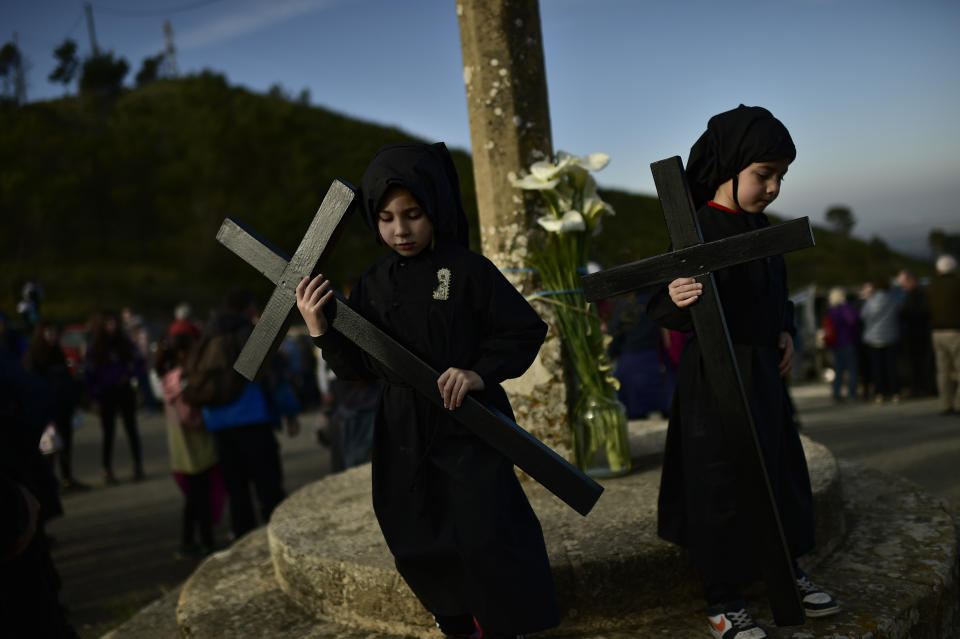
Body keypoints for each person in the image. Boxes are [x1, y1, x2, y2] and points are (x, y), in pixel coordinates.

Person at [296, 142, 558, 639]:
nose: (400, 229)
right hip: (403, 429)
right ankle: (456, 622)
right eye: (387, 217)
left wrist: (478, 372)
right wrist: (319, 329)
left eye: (413, 214)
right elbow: (355, 367)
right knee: (415, 528)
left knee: (488, 531)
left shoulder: (468, 269)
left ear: (433, 208)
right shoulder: (371, 283)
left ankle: (509, 625)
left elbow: (523, 331)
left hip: (470, 423)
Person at [646, 105, 839, 638]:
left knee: (777, 473)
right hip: (714, 379)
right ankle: (722, 598)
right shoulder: (697, 227)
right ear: (731, 165)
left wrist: (786, 333)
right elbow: (657, 306)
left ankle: (785, 571)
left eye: (780, 176)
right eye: (763, 175)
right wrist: (674, 295)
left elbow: (776, 298)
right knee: (720, 483)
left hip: (762, 377)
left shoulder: (763, 229)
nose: (773, 187)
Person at [185, 289, 300, 541]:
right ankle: (278, 538)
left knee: (236, 490)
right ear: (248, 308)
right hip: (252, 418)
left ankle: (244, 539)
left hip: (217, 422)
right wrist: (290, 413)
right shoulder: (248, 333)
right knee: (268, 485)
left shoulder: (208, 333)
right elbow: (273, 378)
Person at [156, 333, 220, 557]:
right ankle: (207, 543)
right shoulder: (184, 378)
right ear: (184, 353)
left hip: (179, 446)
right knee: (201, 498)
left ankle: (187, 542)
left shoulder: (167, 378)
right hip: (196, 444)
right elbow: (191, 417)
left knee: (192, 499)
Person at [84, 310, 146, 484]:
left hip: (124, 389)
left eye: (114, 323)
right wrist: (92, 398)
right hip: (106, 392)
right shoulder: (95, 346)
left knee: (131, 428)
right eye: (108, 323)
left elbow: (139, 362)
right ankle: (107, 469)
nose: (111, 327)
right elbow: (89, 374)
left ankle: (138, 464)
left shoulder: (124, 343)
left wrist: (130, 373)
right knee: (108, 432)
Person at [23, 322, 86, 490]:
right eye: (48, 332)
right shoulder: (34, 356)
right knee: (49, 448)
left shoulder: (58, 353)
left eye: (53, 332)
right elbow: (32, 383)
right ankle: (49, 482)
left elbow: (66, 380)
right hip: (47, 409)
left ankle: (67, 478)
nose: (52, 336)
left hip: (63, 406)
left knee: (65, 444)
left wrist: (74, 400)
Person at [860, 279, 901, 403]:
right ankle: (895, 392)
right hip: (891, 337)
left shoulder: (871, 301)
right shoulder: (893, 300)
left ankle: (879, 393)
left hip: (873, 338)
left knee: (877, 368)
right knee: (891, 367)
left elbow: (863, 315)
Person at [928, 255, 960, 416]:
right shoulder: (956, 284)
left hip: (937, 331)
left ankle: (945, 404)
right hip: (955, 330)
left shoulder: (932, 286)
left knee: (943, 371)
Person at [895, 270, 935, 398]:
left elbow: (922, 313)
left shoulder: (918, 294)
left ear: (910, 281)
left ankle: (923, 388)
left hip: (918, 334)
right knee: (917, 363)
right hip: (915, 334)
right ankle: (921, 387)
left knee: (921, 363)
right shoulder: (914, 294)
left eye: (903, 284)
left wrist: (904, 313)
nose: (903, 287)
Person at [824, 287, 860, 402]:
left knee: (838, 370)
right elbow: (852, 321)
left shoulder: (830, 311)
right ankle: (852, 394)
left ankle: (836, 393)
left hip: (835, 344)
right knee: (852, 370)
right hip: (847, 342)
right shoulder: (844, 309)